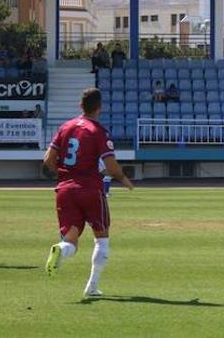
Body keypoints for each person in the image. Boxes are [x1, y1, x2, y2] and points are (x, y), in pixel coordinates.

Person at [43, 88, 134, 297]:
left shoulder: (65, 127)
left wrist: (65, 174)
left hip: (65, 190)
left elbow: (47, 160)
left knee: (71, 242)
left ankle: (60, 248)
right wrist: (124, 179)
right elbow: (111, 167)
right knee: (101, 239)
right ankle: (91, 286)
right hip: (90, 190)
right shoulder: (98, 131)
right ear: (99, 108)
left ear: (80, 106)